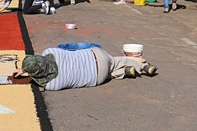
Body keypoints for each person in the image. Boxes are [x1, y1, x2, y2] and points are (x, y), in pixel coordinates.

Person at [12, 47, 158, 92]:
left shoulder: (52, 85)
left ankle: (126, 72)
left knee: (109, 73)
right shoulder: (50, 52)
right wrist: (23, 67)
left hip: (97, 77)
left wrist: (27, 72)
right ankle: (143, 66)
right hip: (96, 55)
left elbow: (41, 85)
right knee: (116, 60)